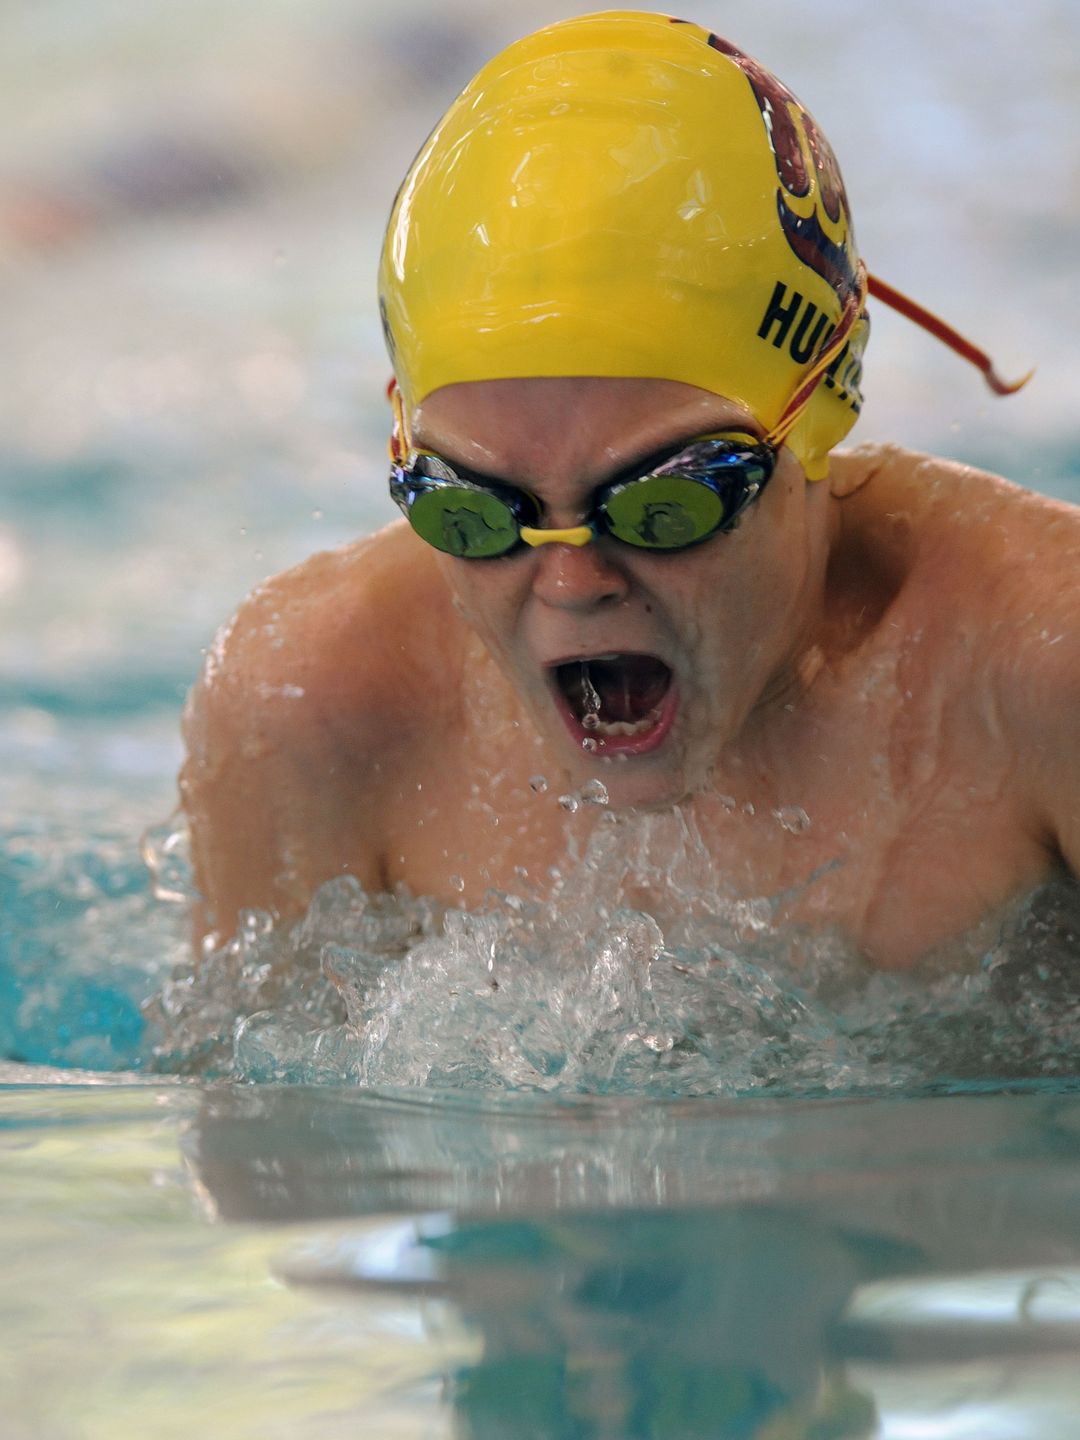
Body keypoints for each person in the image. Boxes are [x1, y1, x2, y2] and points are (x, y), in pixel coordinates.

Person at [179, 12, 1080, 970]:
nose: (572, 584)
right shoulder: (312, 710)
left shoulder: (1038, 680)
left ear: (817, 409)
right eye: (474, 510)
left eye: (667, 500)